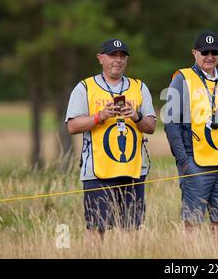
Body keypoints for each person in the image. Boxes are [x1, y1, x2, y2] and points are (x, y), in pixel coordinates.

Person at [66, 38, 156, 240]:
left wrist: (136, 116)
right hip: (97, 171)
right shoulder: (85, 87)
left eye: (122, 56)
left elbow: (151, 127)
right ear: (100, 58)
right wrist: (100, 116)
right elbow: (72, 126)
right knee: (96, 229)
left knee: (132, 230)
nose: (118, 60)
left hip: (133, 169)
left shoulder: (139, 87)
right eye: (112, 56)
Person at [164, 31, 218, 236]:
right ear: (194, 53)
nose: (210, 56)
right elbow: (171, 124)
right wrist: (184, 162)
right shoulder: (182, 79)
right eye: (204, 51)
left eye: (214, 52)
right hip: (196, 164)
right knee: (192, 223)